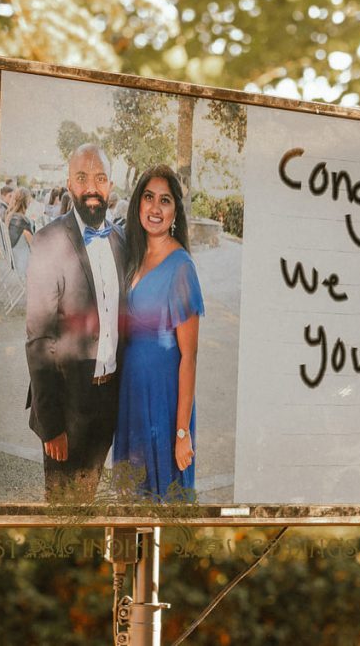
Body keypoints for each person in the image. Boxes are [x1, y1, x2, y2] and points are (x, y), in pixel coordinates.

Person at [25, 144, 127, 499]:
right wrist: (51, 425)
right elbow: (38, 338)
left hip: (107, 401)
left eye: (100, 178)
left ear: (110, 186)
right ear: (69, 183)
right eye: (82, 177)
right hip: (66, 404)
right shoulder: (49, 240)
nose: (91, 187)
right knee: (62, 511)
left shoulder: (120, 241)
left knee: (88, 502)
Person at [113, 165, 204, 500]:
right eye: (148, 197)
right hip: (131, 398)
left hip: (164, 403)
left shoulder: (181, 268)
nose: (154, 208)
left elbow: (189, 357)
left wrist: (181, 432)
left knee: (165, 502)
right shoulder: (132, 255)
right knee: (131, 501)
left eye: (164, 201)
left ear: (175, 211)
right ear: (137, 203)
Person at [4, 188, 34, 275]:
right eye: (29, 199)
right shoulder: (23, 221)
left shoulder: (10, 216)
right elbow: (33, 245)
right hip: (23, 264)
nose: (30, 202)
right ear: (26, 202)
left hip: (13, 259)